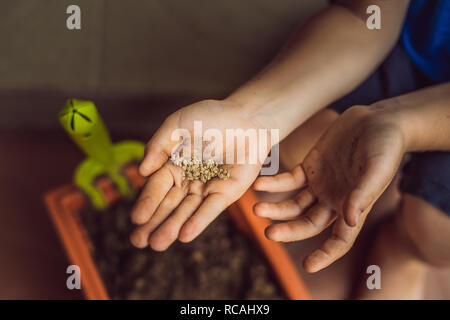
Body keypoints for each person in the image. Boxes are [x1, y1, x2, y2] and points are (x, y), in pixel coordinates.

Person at [129, 0, 450, 299]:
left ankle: (404, 251)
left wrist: (405, 124)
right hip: (404, 43)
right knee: (304, 148)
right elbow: (365, 16)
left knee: (433, 230)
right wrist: (254, 115)